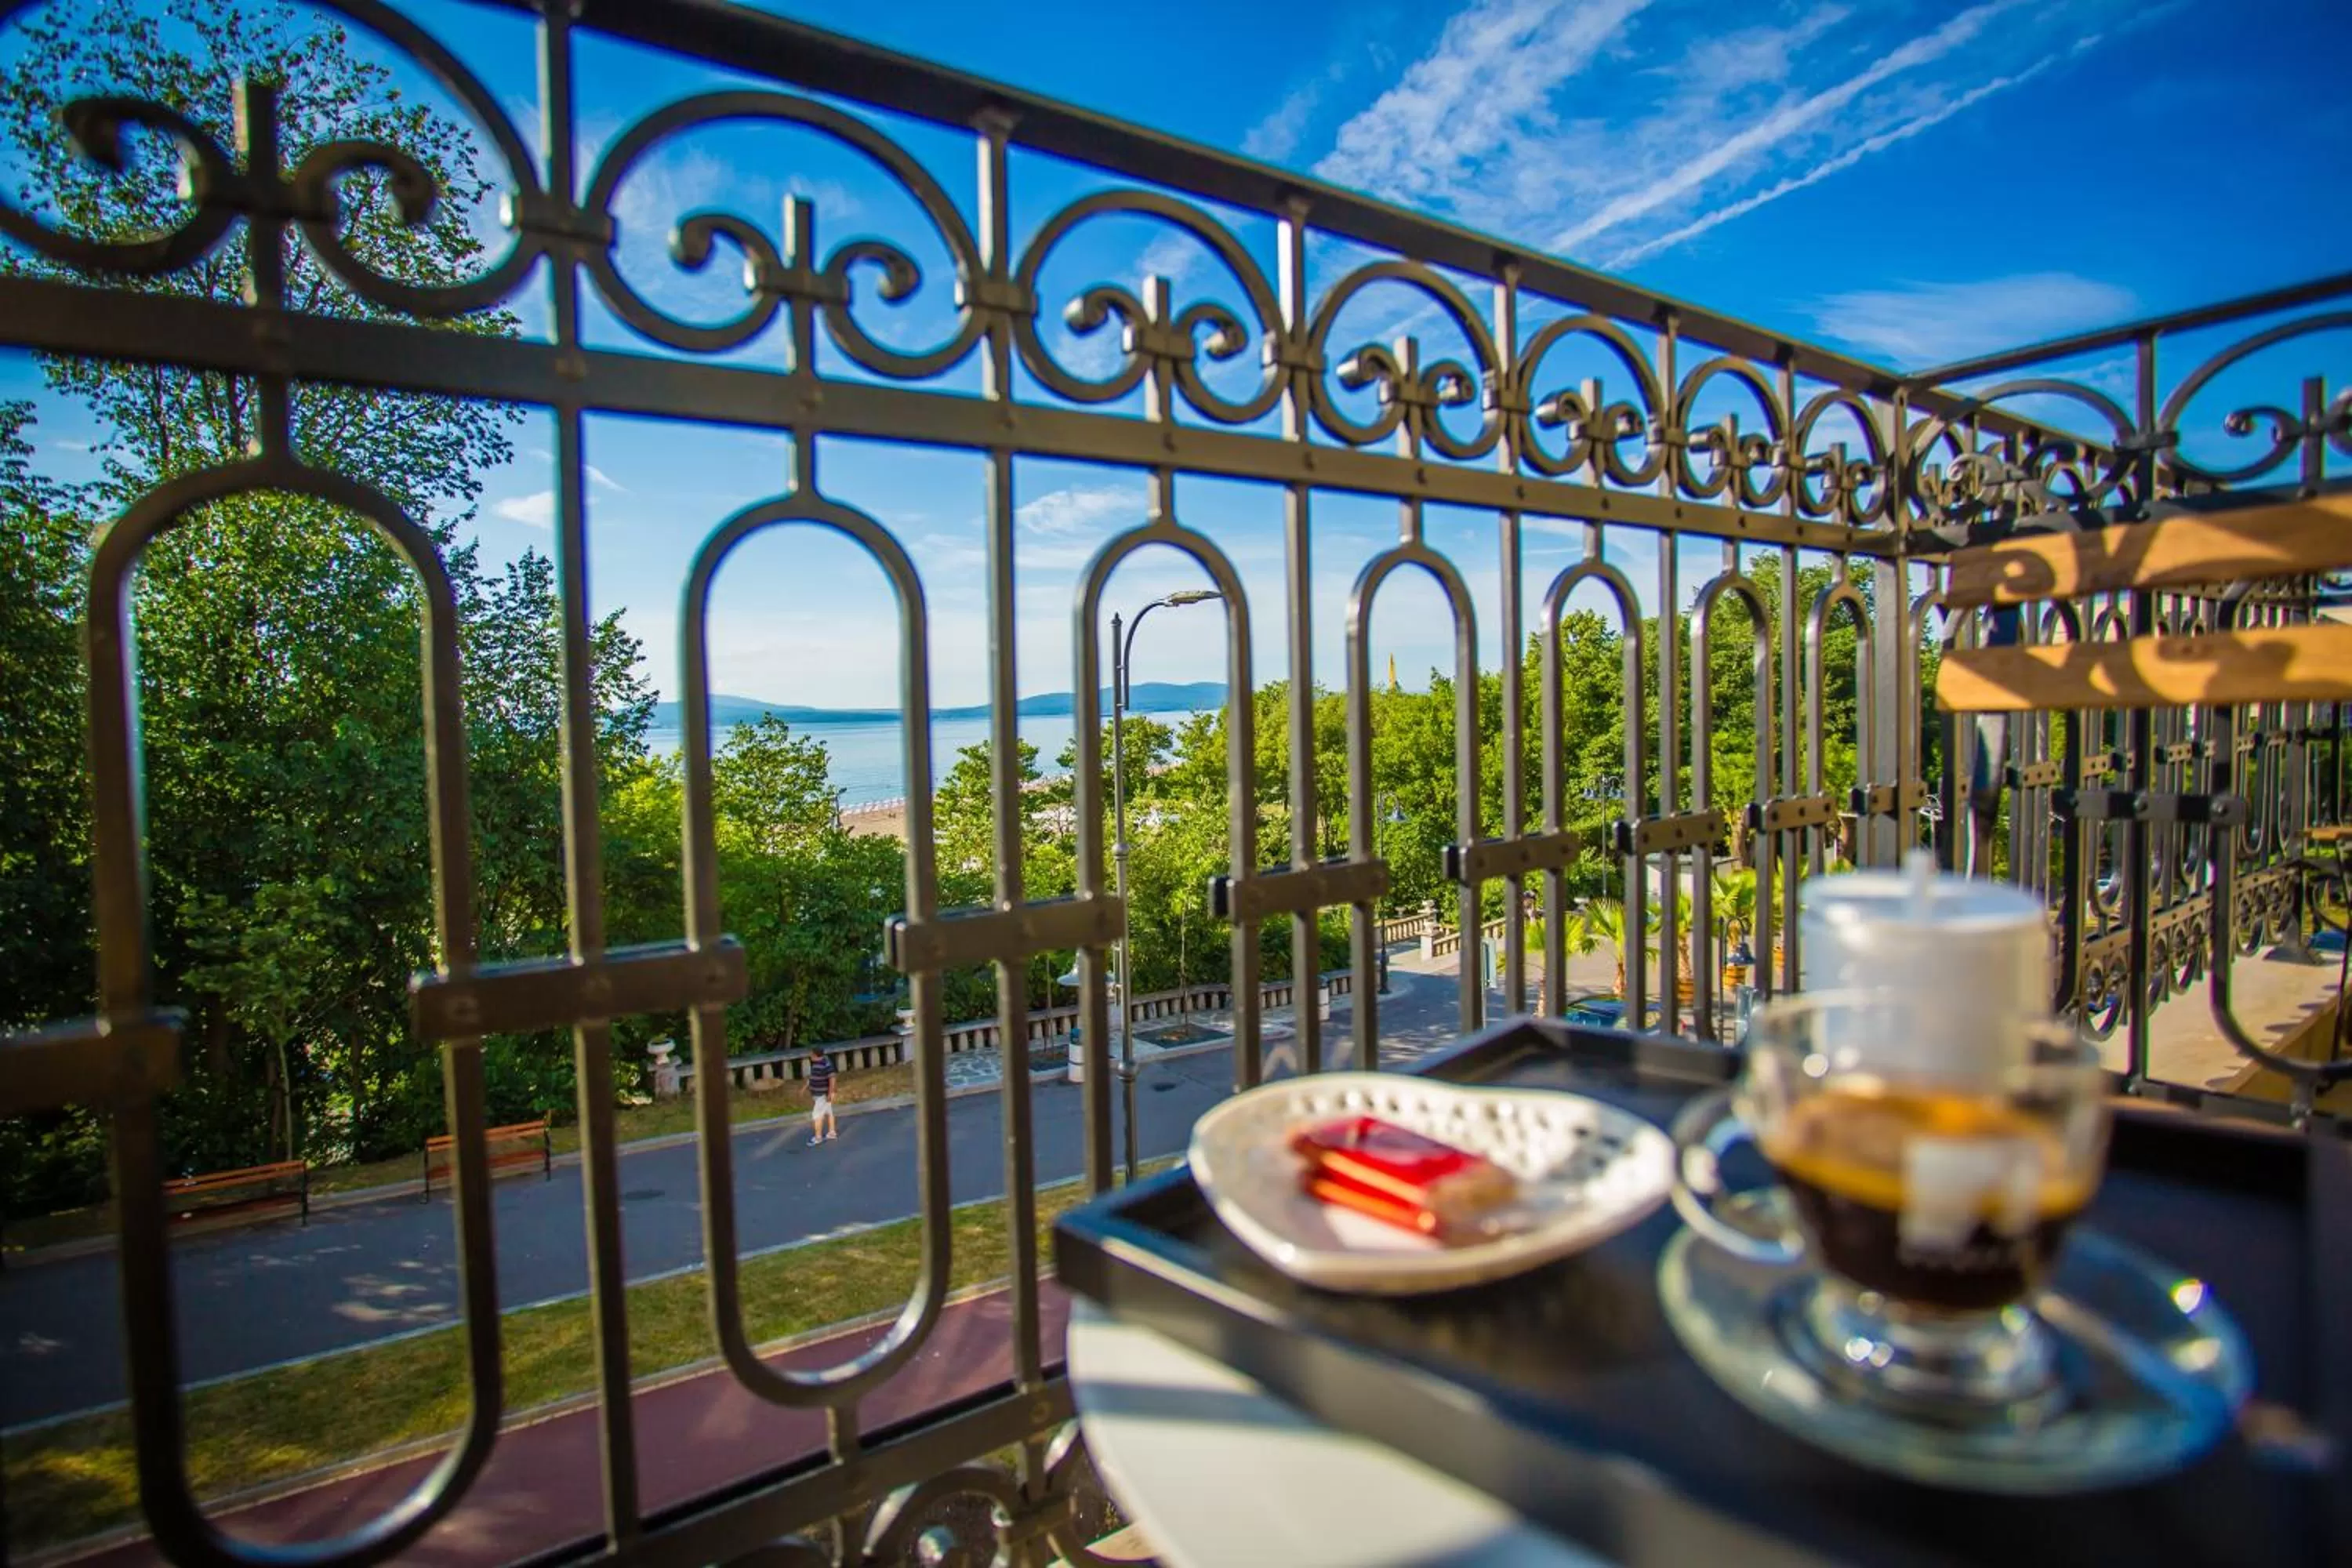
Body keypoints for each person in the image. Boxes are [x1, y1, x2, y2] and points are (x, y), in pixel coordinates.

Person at [805, 1047, 837, 1144]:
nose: (810, 1056)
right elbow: (812, 1077)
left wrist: (830, 1093)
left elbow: (832, 1079)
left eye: (811, 1054)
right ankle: (832, 1132)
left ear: (815, 1055)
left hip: (822, 1094)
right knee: (829, 1112)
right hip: (818, 1094)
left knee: (817, 1115)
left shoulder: (826, 1064)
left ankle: (818, 1137)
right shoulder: (816, 1064)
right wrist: (805, 1088)